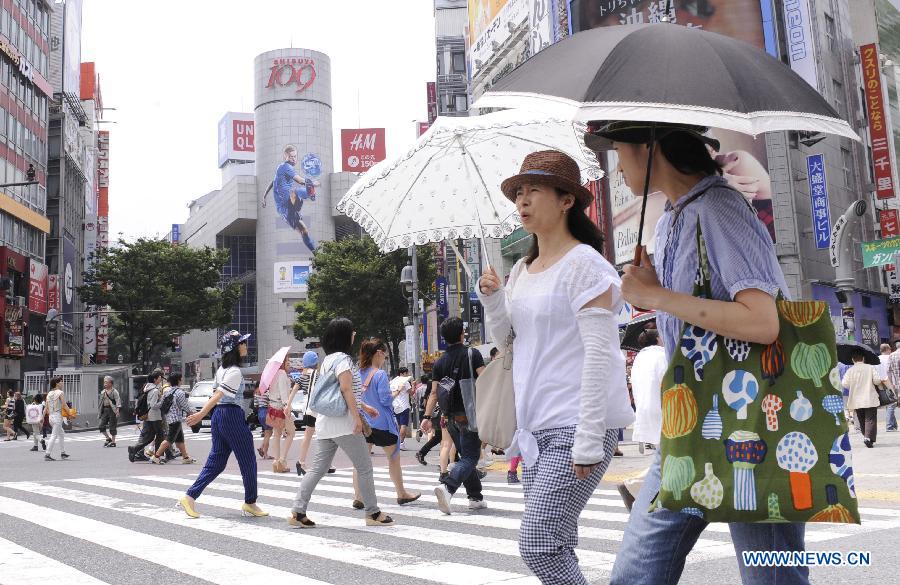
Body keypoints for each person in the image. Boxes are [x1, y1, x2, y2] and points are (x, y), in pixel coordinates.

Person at [586, 121, 808, 585]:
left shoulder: (720, 207)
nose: (617, 165)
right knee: (636, 573)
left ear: (648, 149)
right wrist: (654, 289)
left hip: (750, 426)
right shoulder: (672, 219)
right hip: (688, 424)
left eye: (619, 151)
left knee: (771, 578)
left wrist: (658, 297)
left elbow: (762, 322)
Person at [477, 150, 633, 584]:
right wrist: (493, 300)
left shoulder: (586, 265)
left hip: (576, 426)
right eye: (518, 193)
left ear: (567, 200)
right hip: (533, 429)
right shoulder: (522, 271)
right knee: (557, 542)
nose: (522, 201)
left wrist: (588, 437)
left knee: (538, 543)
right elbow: (508, 341)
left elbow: (600, 353)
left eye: (534, 191)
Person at [288, 318, 394, 527]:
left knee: (317, 468)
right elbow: (345, 390)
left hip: (326, 423)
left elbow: (339, 391)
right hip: (343, 423)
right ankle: (372, 513)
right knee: (364, 467)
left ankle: (297, 511)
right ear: (345, 336)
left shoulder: (328, 360)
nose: (354, 334)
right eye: (352, 331)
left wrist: (364, 407)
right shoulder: (344, 360)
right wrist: (357, 418)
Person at [179, 330, 266, 518]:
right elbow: (219, 395)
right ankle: (250, 502)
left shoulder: (221, 370)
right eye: (242, 343)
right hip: (231, 416)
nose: (245, 346)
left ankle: (190, 496)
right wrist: (201, 413)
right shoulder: (234, 371)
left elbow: (215, 395)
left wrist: (207, 414)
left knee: (217, 462)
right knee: (248, 460)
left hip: (219, 415)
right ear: (234, 348)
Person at [421, 317, 488, 515]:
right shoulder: (471, 354)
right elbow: (485, 379)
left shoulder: (440, 362)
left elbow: (434, 393)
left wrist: (426, 416)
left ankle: (475, 497)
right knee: (470, 457)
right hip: (470, 415)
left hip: (449, 418)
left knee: (466, 456)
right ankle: (448, 487)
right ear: (462, 333)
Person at [357, 339, 421, 506]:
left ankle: (358, 497)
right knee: (393, 459)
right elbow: (385, 400)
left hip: (364, 423)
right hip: (382, 424)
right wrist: (395, 393)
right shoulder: (379, 374)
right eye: (384, 354)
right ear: (378, 353)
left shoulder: (358, 373)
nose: (385, 357)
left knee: (361, 462)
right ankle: (401, 493)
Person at [618, 328, 667, 510]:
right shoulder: (661, 355)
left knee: (663, 458)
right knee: (668, 458)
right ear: (658, 339)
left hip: (645, 412)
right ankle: (633, 484)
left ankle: (634, 485)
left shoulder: (639, 358)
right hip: (662, 411)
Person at [266, 145, 317, 252]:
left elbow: (273, 182)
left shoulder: (279, 168)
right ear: (285, 156)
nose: (293, 159)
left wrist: (264, 195)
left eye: (295, 156)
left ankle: (315, 253)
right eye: (291, 157)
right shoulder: (286, 167)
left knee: (304, 231)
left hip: (283, 210)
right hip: (286, 205)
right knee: (295, 192)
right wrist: (311, 183)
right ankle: (310, 193)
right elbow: (299, 180)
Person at [295, 351, 335, 476]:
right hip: (316, 409)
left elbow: (294, 390)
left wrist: (288, 405)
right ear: (316, 363)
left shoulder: (302, 376)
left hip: (306, 408)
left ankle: (301, 462)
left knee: (310, 435)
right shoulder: (317, 376)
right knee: (325, 435)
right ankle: (323, 463)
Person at [151, 373, 195, 464]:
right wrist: (192, 413)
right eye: (181, 379)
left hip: (170, 418)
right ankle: (156, 456)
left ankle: (185, 457)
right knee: (169, 440)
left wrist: (152, 406)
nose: (181, 380)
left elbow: (161, 404)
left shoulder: (167, 392)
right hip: (176, 419)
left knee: (179, 439)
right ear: (179, 380)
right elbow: (184, 406)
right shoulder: (180, 392)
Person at [842, 349, 882, 448]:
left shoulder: (850, 370)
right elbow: (877, 381)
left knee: (861, 418)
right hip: (869, 397)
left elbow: (844, 384)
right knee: (870, 418)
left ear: (853, 359)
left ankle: (866, 437)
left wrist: (853, 385)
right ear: (863, 358)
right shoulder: (870, 367)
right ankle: (868, 438)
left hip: (856, 398)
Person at [267, 353, 300, 473]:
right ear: (282, 363)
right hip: (282, 408)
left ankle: (276, 462)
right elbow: (284, 395)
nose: (289, 363)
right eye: (287, 361)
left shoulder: (273, 375)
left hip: (272, 407)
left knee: (276, 434)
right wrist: (288, 408)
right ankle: (282, 460)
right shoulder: (281, 374)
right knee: (291, 433)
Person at [128, 370, 165, 463]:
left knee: (150, 437)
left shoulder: (147, 387)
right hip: (155, 416)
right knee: (160, 436)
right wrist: (162, 401)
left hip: (148, 416)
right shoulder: (155, 390)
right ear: (155, 379)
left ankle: (134, 449)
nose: (161, 379)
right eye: (159, 378)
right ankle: (157, 457)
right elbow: (153, 405)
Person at [44, 377, 68, 461]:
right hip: (57, 416)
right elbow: (64, 405)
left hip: (51, 417)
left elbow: (46, 408)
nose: (62, 383)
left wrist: (42, 417)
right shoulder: (60, 392)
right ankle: (47, 454)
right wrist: (70, 413)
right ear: (57, 383)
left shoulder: (49, 393)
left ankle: (63, 452)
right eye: (61, 381)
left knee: (61, 433)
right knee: (54, 435)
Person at [390, 366, 413, 446]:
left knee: (398, 425)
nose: (407, 375)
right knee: (403, 425)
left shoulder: (393, 381)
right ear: (402, 373)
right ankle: (401, 443)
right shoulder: (405, 382)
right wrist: (413, 385)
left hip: (395, 405)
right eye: (406, 373)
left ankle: (397, 442)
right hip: (404, 406)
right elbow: (411, 393)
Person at [98, 376, 121, 447]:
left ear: (111, 383)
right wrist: (99, 411)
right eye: (104, 382)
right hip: (104, 410)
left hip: (112, 410)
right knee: (101, 425)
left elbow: (118, 401)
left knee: (112, 426)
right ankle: (108, 438)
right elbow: (101, 403)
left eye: (106, 382)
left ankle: (113, 442)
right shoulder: (103, 392)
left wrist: (117, 411)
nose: (104, 384)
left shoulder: (114, 392)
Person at [256, 378, 274, 460]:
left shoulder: (256, 394)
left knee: (268, 433)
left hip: (260, 412)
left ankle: (261, 447)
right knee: (268, 434)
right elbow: (272, 403)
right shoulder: (267, 394)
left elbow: (255, 404)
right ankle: (266, 454)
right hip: (266, 412)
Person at [889, 343, 900, 432]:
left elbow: (888, 371)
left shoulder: (891, 355)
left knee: (894, 404)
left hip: (896, 384)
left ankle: (891, 425)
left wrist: (891, 383)